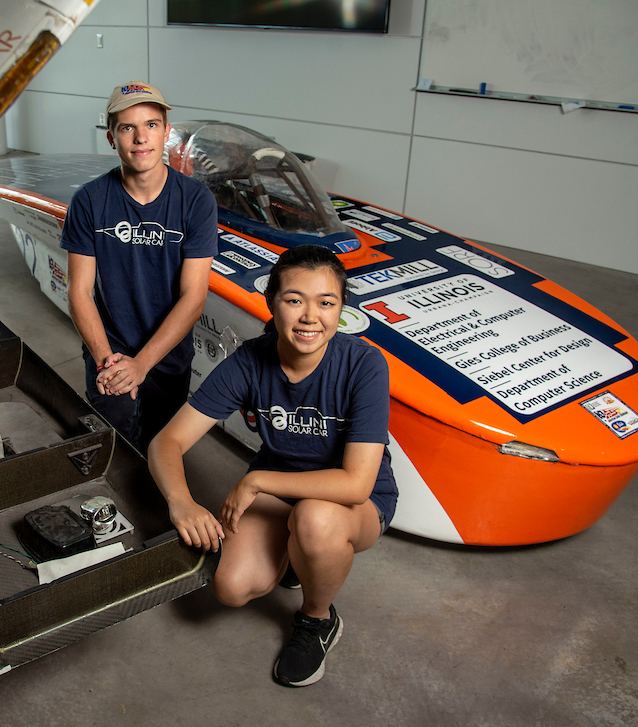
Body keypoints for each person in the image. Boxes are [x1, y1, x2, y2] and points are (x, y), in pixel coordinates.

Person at [148, 244, 396, 687]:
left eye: (326, 303)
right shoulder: (250, 361)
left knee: (315, 519)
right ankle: (300, 557)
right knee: (231, 587)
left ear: (341, 310)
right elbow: (168, 440)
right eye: (294, 299)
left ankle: (318, 620)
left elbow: (357, 484)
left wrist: (257, 480)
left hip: (352, 501)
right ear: (272, 302)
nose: (310, 316)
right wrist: (181, 502)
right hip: (283, 492)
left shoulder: (364, 365)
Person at [59, 81, 217, 454]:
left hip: (167, 352)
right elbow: (79, 291)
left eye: (150, 125)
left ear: (166, 132)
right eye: (127, 127)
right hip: (109, 348)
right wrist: (107, 361)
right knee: (112, 444)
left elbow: (194, 296)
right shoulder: (89, 201)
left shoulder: (196, 201)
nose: (140, 137)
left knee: (161, 449)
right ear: (112, 138)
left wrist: (143, 363)